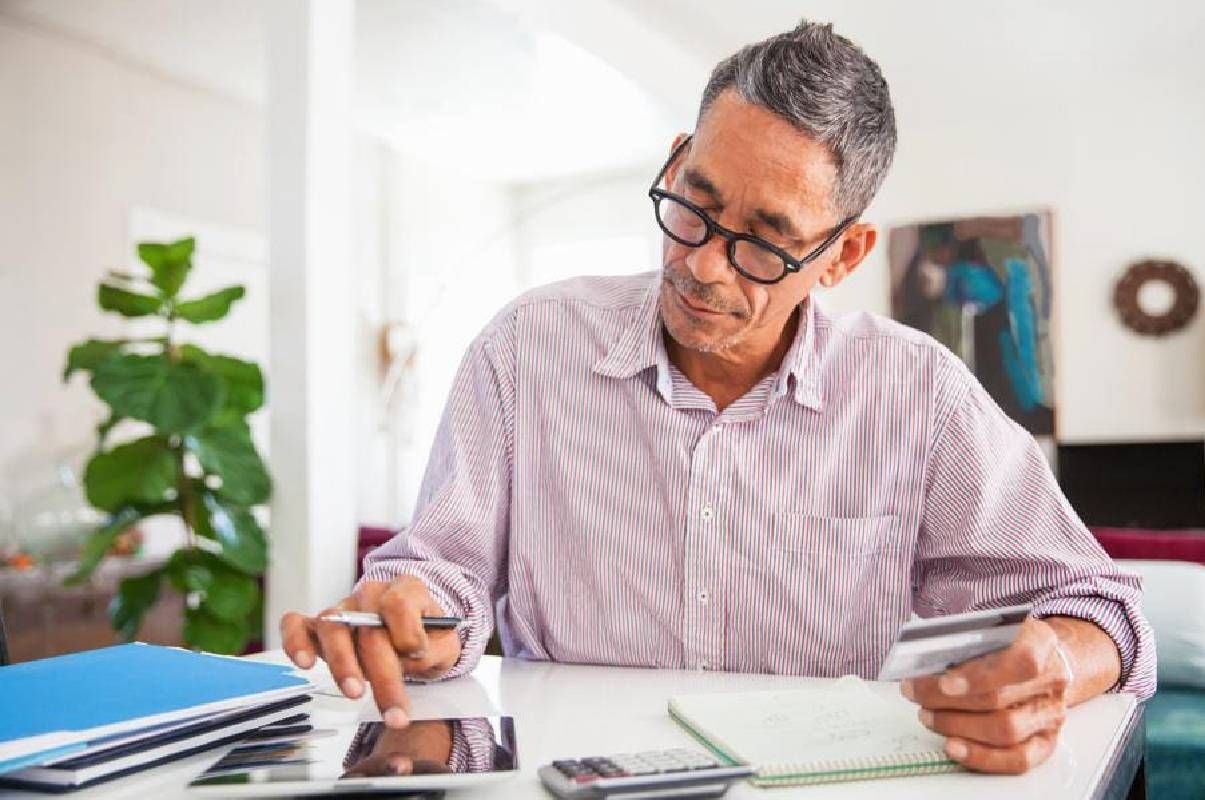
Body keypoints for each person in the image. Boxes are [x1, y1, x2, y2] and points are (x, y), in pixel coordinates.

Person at [282, 21, 1155, 775]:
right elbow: (442, 571)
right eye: (693, 207)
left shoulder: (920, 393)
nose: (701, 265)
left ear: (844, 257)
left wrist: (1056, 665)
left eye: (764, 245)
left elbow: (1103, 609)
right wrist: (411, 612)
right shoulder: (525, 347)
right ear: (674, 159)